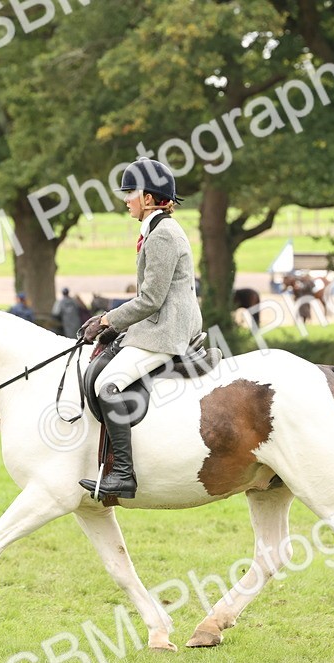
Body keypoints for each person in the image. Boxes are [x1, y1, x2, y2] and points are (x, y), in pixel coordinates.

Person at [76, 157, 200, 500]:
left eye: (130, 192)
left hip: (166, 329)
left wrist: (107, 320)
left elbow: (150, 300)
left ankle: (122, 474)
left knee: (108, 383)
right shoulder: (156, 230)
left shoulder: (163, 235)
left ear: (148, 197)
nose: (126, 198)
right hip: (158, 323)